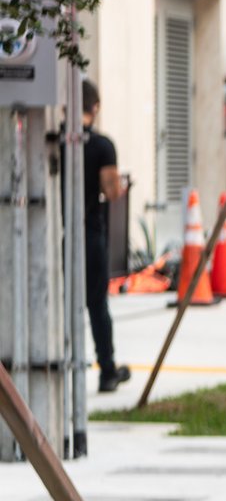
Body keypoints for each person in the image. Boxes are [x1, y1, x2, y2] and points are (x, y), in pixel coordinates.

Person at [80, 81, 129, 392]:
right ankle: (107, 370)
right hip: (90, 233)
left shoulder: (51, 140)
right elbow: (112, 193)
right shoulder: (101, 146)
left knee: (57, 303)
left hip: (53, 234)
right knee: (97, 303)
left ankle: (57, 366)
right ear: (95, 107)